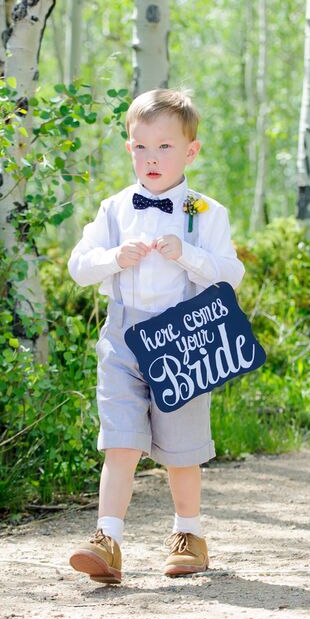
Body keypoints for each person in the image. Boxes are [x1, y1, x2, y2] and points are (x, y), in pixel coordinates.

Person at [67, 88, 245, 583]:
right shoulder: (113, 209)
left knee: (180, 447)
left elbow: (231, 274)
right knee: (120, 442)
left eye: (165, 147)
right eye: (141, 147)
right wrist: (112, 258)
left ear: (190, 151)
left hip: (184, 338)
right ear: (129, 148)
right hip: (123, 338)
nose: (151, 158)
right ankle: (108, 539)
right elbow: (79, 267)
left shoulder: (205, 212)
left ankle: (188, 534)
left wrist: (185, 252)